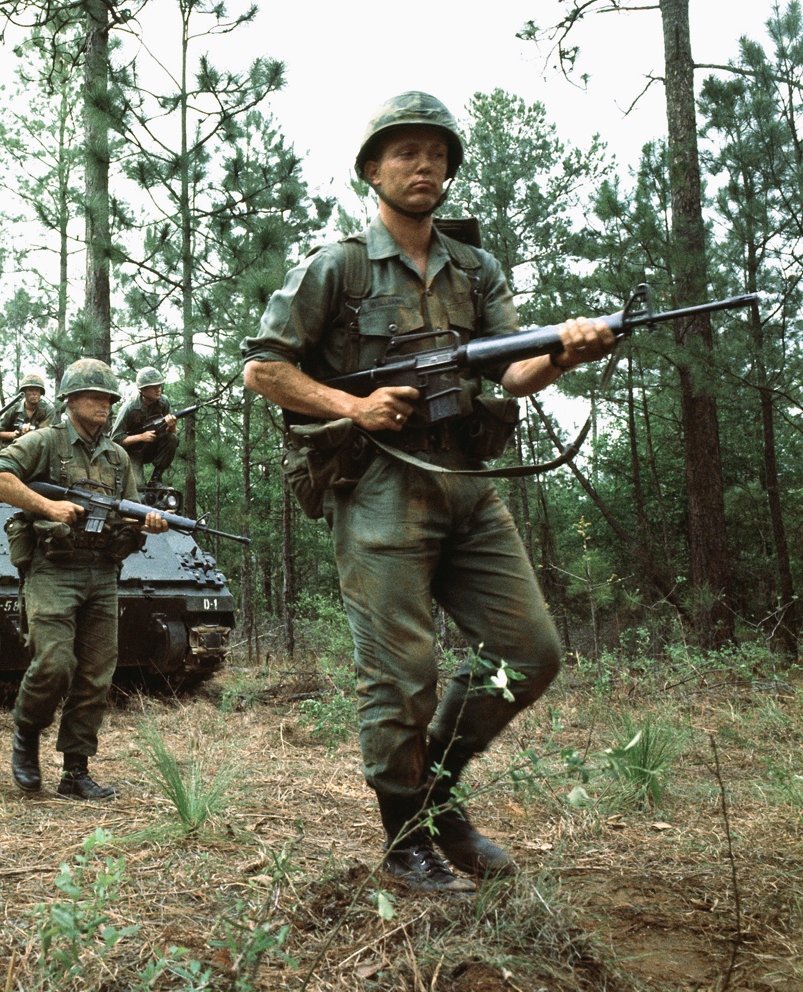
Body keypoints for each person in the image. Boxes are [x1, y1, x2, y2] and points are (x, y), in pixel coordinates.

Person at [242, 91, 616, 892]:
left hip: (468, 483)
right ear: (373, 170)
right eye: (407, 153)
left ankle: (438, 794)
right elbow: (264, 368)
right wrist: (355, 406)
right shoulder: (337, 265)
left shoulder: (474, 267)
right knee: (400, 675)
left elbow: (511, 374)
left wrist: (568, 352)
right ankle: (404, 836)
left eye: (438, 154)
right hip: (381, 486)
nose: (425, 166)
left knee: (529, 654)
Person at [0, 358, 169, 801]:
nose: (103, 405)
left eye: (108, 398)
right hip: (53, 568)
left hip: (102, 571)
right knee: (54, 664)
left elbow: (129, 510)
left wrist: (150, 524)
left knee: (97, 675)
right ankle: (26, 738)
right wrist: (47, 508)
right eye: (94, 396)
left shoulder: (118, 456)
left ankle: (75, 770)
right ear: (70, 401)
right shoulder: (45, 442)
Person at [111, 367, 178, 487]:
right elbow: (115, 439)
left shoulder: (163, 402)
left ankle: (156, 478)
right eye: (154, 387)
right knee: (137, 486)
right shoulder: (129, 408)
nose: (158, 390)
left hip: (151, 447)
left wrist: (172, 426)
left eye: (159, 386)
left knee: (172, 439)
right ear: (143, 389)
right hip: (130, 451)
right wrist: (141, 437)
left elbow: (171, 433)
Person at [0, 373, 56, 454]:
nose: (34, 394)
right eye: (30, 390)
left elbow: (44, 434)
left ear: (41, 393)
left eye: (37, 390)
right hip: (13, 450)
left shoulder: (48, 409)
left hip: (38, 450)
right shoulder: (12, 409)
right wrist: (14, 435)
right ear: (24, 392)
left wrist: (28, 431)